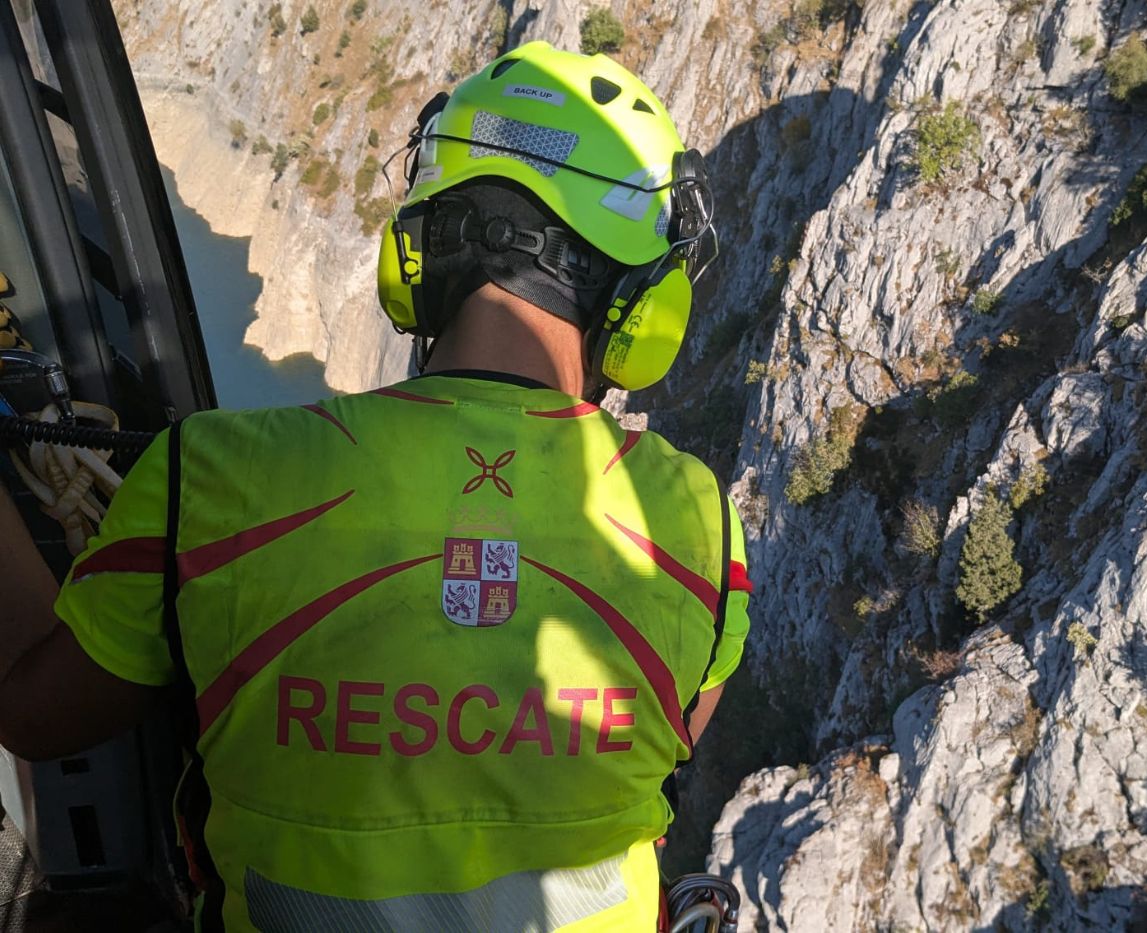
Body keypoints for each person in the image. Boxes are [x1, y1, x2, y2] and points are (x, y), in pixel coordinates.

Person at [0, 41, 751, 931]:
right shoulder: (699, 526)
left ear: (418, 253)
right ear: (643, 303)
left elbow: (33, 714)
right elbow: (664, 741)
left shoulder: (206, 480)